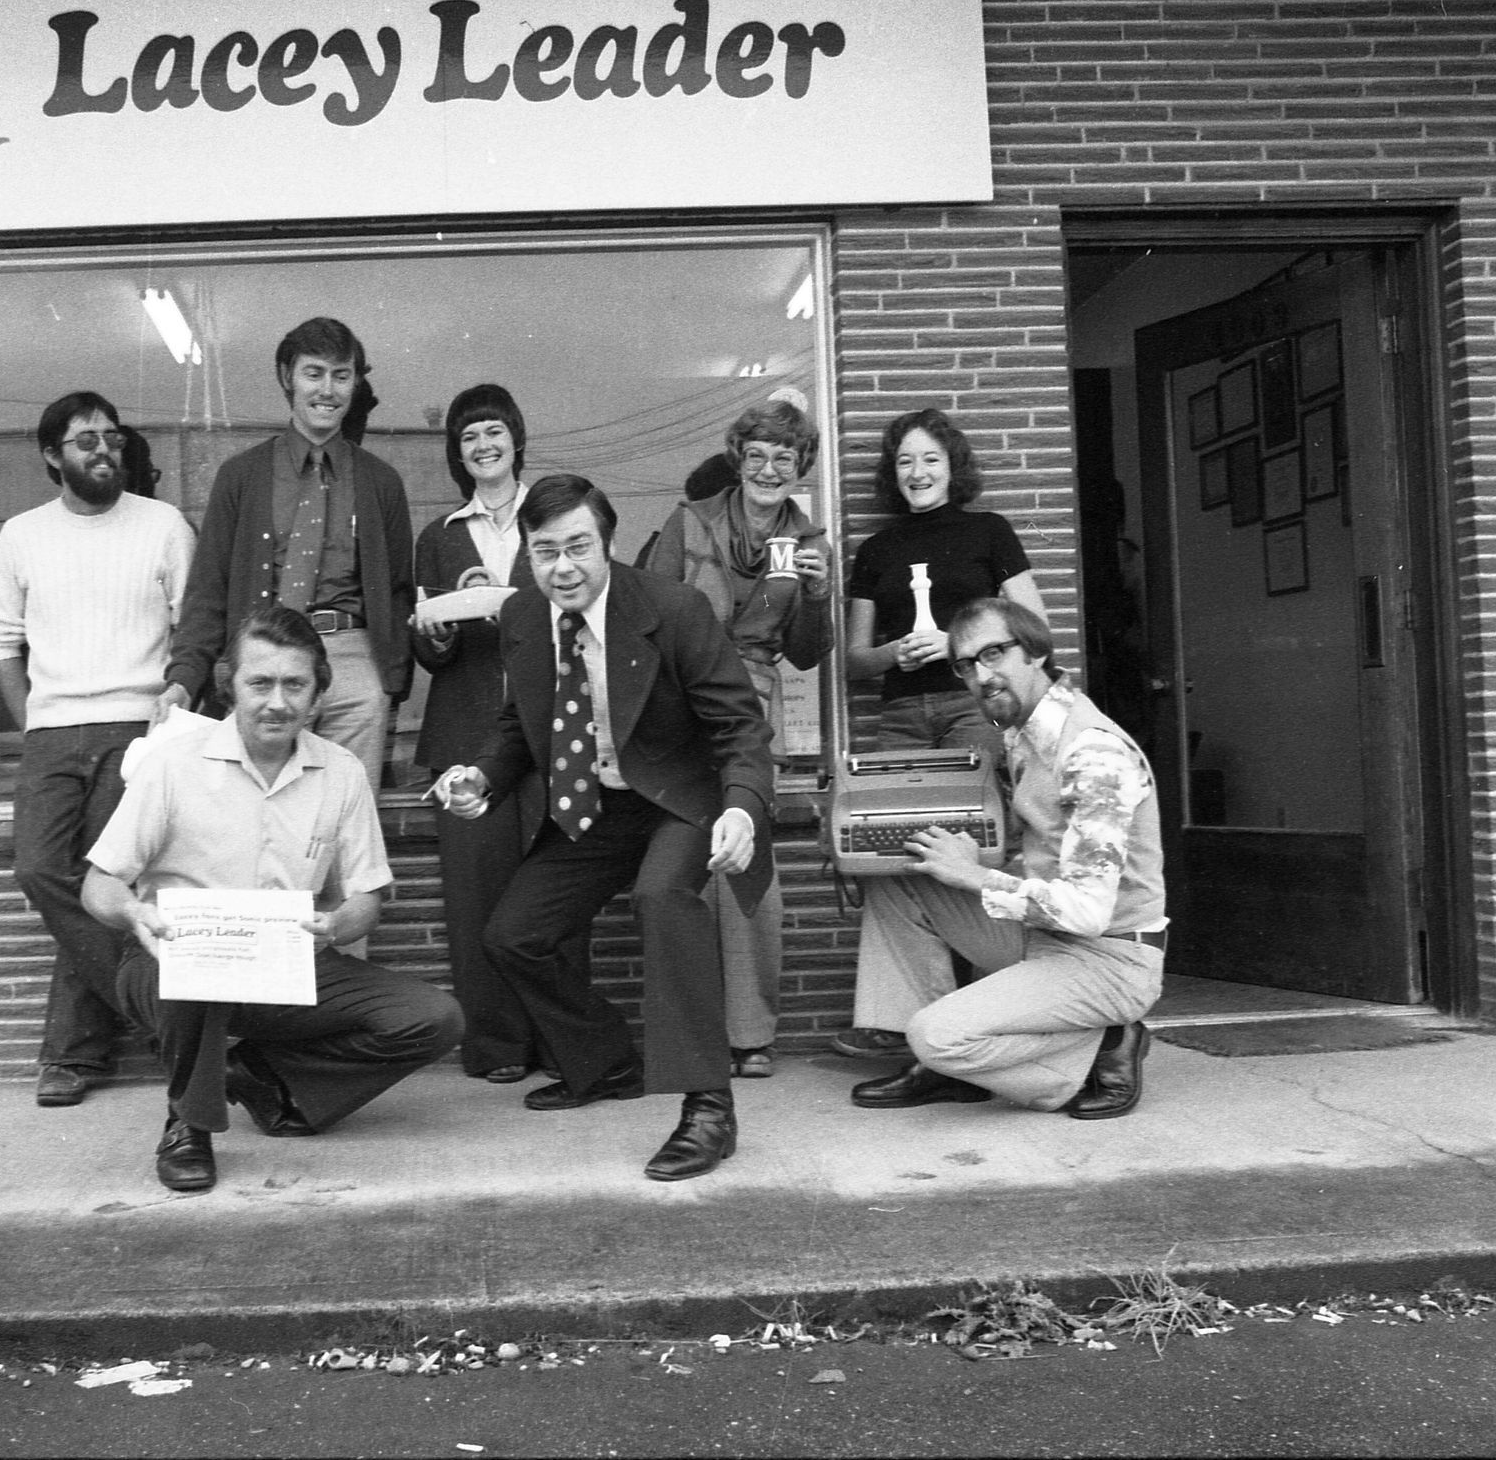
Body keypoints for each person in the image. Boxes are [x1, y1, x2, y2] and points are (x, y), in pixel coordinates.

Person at [432, 474, 773, 1183]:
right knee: (514, 935)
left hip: (679, 797)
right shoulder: (524, 616)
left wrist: (741, 807)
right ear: (526, 552)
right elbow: (518, 725)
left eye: (578, 547)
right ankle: (606, 1062)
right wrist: (483, 778)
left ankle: (710, 1106)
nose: (562, 568)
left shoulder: (673, 609)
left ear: (607, 543)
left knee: (663, 897)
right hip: (595, 807)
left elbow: (740, 726)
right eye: (545, 550)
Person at [83, 607, 465, 1192]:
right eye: (260, 683)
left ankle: (258, 1077)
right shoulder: (173, 766)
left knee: (432, 1019)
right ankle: (188, 1125)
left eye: (295, 685)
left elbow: (366, 895)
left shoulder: (340, 772)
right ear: (230, 686)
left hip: (288, 968)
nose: (277, 702)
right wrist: (133, 911)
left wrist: (337, 925)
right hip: (171, 963)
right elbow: (99, 884)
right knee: (193, 969)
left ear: (317, 695)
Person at [849, 597, 1165, 1121]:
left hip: (1109, 957)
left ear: (1035, 653)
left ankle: (1103, 1043)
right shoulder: (1024, 732)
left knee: (937, 1036)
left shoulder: (1093, 753)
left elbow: (1087, 911)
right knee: (901, 876)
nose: (980, 676)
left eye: (993, 654)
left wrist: (976, 876)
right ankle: (943, 1063)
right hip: (1048, 938)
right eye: (966, 665)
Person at [0, 390, 196, 1107]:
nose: (104, 451)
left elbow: (193, 626)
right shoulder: (22, 535)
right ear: (52, 455)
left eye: (112, 437)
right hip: (52, 732)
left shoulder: (163, 525)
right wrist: (33, 721)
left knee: (108, 881)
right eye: (85, 441)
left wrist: (174, 704)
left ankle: (72, 1055)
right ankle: (165, 1014)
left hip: (137, 726)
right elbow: (1, 638)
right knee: (41, 869)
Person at [835, 408, 1047, 1067]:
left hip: (970, 705)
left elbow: (1033, 627)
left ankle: (989, 1013)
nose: (918, 471)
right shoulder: (877, 549)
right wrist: (894, 652)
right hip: (901, 714)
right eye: (905, 461)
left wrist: (959, 643)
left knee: (976, 847)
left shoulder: (990, 531)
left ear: (953, 466)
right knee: (893, 854)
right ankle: (909, 1024)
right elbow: (854, 660)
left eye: (930, 458)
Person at [642, 394, 833, 1079]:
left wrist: (817, 596)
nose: (769, 468)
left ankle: (751, 1036)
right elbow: (646, 614)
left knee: (747, 872)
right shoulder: (689, 521)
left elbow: (806, 653)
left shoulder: (810, 544)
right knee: (683, 864)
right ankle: (696, 1031)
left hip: (750, 710)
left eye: (785, 457)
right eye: (757, 455)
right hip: (680, 701)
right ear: (738, 459)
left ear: (801, 466)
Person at [160, 317, 416, 797]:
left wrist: (388, 680)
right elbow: (208, 591)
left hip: (352, 664)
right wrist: (183, 681)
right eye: (313, 373)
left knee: (345, 814)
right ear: (287, 377)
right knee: (258, 809)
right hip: (263, 658)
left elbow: (399, 590)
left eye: (341, 376)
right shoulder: (241, 476)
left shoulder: (381, 481)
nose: (328, 390)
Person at [410, 383, 547, 1084]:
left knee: (554, 887)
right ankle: (496, 1045)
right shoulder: (437, 537)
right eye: (469, 436)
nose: (483, 445)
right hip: (464, 732)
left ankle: (558, 1042)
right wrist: (434, 634)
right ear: (456, 454)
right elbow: (429, 649)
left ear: (516, 438)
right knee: (475, 897)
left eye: (494, 431)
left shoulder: (552, 517)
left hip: (548, 730)